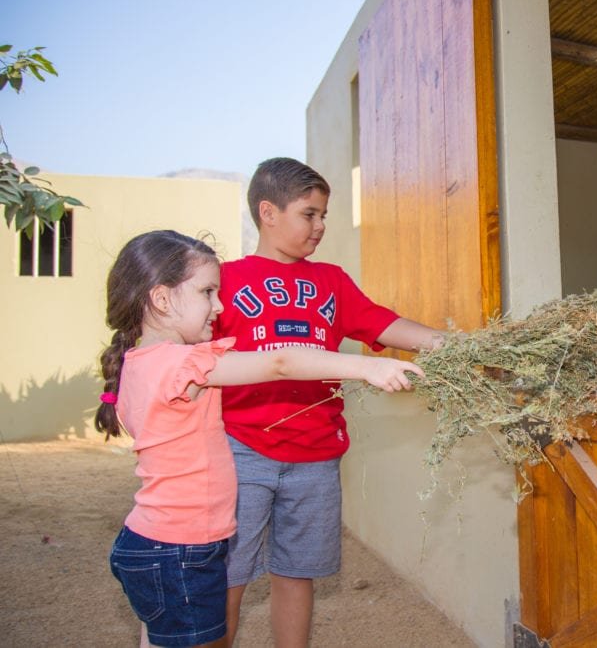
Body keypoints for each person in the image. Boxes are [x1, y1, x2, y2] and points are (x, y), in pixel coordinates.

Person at [95, 230, 423, 648]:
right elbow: (280, 362)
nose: (219, 305)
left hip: (152, 541)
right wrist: (366, 368)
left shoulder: (141, 363)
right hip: (180, 549)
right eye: (208, 292)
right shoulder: (186, 365)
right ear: (162, 299)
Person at [213, 157, 443, 647]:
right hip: (241, 450)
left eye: (323, 215)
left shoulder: (331, 281)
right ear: (268, 212)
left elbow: (382, 323)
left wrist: (447, 343)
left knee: (298, 572)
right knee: (228, 576)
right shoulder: (225, 280)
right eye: (309, 214)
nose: (320, 226)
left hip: (317, 453)